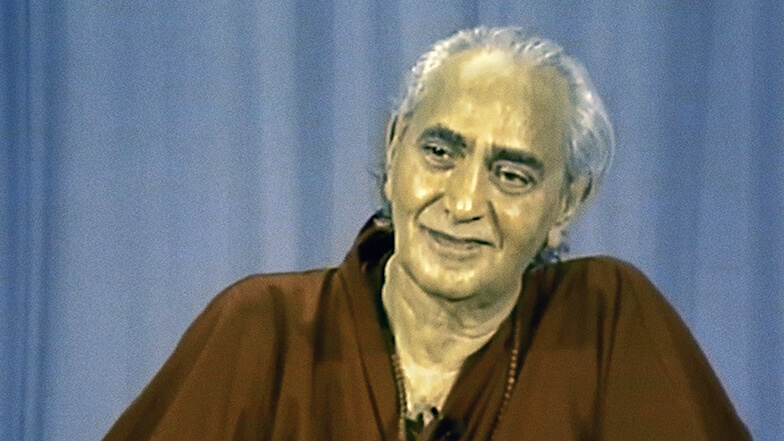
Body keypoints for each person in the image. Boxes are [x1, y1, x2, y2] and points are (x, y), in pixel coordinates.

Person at [103, 27, 751, 440]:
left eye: (511, 174)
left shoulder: (608, 322)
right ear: (394, 149)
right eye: (440, 152)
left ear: (567, 201)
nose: (464, 202)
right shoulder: (263, 329)